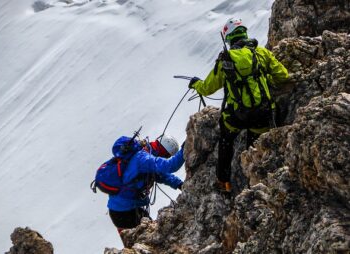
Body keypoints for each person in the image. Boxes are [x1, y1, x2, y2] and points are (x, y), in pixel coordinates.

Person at [188, 18, 289, 192]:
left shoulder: (226, 60)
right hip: (263, 114)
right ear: (245, 32)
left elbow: (207, 88)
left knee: (226, 141)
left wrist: (195, 84)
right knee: (254, 145)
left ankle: (224, 183)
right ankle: (257, 184)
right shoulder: (260, 53)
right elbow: (283, 75)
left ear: (228, 38)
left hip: (236, 117)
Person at [107, 135, 184, 238]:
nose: (166, 158)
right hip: (126, 212)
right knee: (146, 239)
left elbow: (161, 175)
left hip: (122, 210)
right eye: (167, 156)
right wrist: (185, 149)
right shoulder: (143, 159)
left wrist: (179, 184)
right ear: (164, 152)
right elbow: (170, 166)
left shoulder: (145, 154)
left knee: (141, 240)